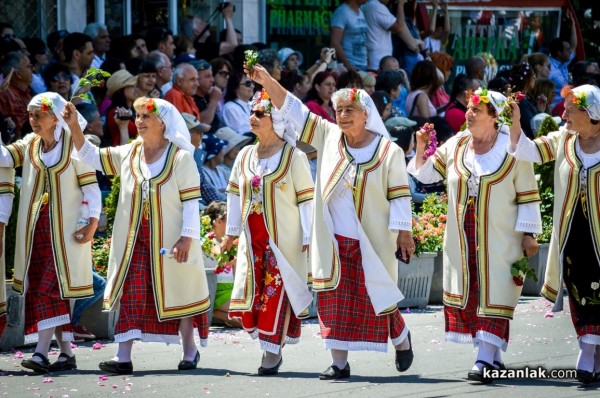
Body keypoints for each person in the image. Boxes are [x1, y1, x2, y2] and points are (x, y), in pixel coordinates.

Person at [246, 64, 415, 379]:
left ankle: (402, 340)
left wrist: (404, 235)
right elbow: (294, 110)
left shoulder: (388, 150)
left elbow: (400, 196)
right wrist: (269, 83)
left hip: (373, 240)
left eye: (351, 109)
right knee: (333, 299)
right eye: (339, 110)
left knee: (378, 298)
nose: (344, 115)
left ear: (366, 114)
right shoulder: (327, 135)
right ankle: (339, 364)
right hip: (333, 240)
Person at [408, 88, 542, 383]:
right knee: (472, 293)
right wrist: (421, 148)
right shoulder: (458, 144)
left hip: (502, 238)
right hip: (463, 236)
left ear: (494, 117)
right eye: (468, 108)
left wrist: (530, 234)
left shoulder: (513, 148)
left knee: (495, 291)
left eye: (476, 110)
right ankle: (491, 356)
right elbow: (428, 175)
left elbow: (529, 194)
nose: (468, 114)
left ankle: (483, 359)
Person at [69, 97, 211, 374]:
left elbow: (192, 202)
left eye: (146, 117)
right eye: (137, 116)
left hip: (172, 241)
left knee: (178, 294)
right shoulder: (130, 152)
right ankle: (123, 357)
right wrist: (75, 125)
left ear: (163, 122)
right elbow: (91, 156)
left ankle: (189, 349)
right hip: (134, 240)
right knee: (131, 292)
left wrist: (187, 238)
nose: (140, 122)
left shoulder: (181, 157)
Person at [0, 92, 101, 373]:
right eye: (31, 115)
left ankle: (41, 353)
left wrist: (91, 222)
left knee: (49, 289)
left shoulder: (74, 145)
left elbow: (91, 187)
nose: (32, 120)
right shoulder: (30, 144)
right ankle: (67, 355)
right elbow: (5, 157)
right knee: (47, 289)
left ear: (56, 116)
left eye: (39, 115)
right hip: (36, 232)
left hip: (66, 233)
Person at [508, 84, 600, 385]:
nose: (564, 115)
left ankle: (592, 353)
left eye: (571, 110)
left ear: (591, 114)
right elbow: (529, 151)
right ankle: (588, 350)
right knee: (578, 288)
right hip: (574, 233)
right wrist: (516, 121)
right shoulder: (564, 139)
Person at [220, 89, 314, 375]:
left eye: (260, 114)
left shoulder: (293, 157)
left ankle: (271, 350)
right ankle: (266, 341)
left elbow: (306, 198)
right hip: (253, 239)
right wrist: (231, 233)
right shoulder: (245, 155)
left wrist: (309, 236)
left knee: (276, 289)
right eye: (252, 113)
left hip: (283, 240)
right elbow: (234, 194)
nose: (253, 118)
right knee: (254, 292)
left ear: (277, 120)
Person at [203, 201, 242, 327]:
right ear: (218, 221)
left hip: (230, 288)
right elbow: (219, 253)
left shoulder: (230, 241)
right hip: (217, 289)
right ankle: (212, 311)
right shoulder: (207, 240)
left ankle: (214, 313)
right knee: (243, 319)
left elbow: (236, 268)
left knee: (243, 320)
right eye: (229, 221)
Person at [548, 10, 577, 109]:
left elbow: (573, 46)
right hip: (553, 109)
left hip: (564, 107)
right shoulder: (549, 68)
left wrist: (572, 24)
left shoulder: (564, 62)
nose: (570, 52)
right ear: (559, 53)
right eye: (567, 50)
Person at [330, 0, 368, 72]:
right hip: (351, 66)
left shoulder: (360, 12)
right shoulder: (341, 12)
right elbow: (334, 43)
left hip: (363, 64)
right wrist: (348, 65)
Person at [104, 70, 139, 146]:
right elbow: (139, 131)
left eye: (135, 86)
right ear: (120, 90)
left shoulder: (133, 111)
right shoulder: (115, 113)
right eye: (132, 86)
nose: (136, 89)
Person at [509, 63, 538, 139]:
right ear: (527, 79)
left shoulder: (525, 99)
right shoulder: (520, 102)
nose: (535, 78)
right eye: (533, 75)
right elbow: (533, 126)